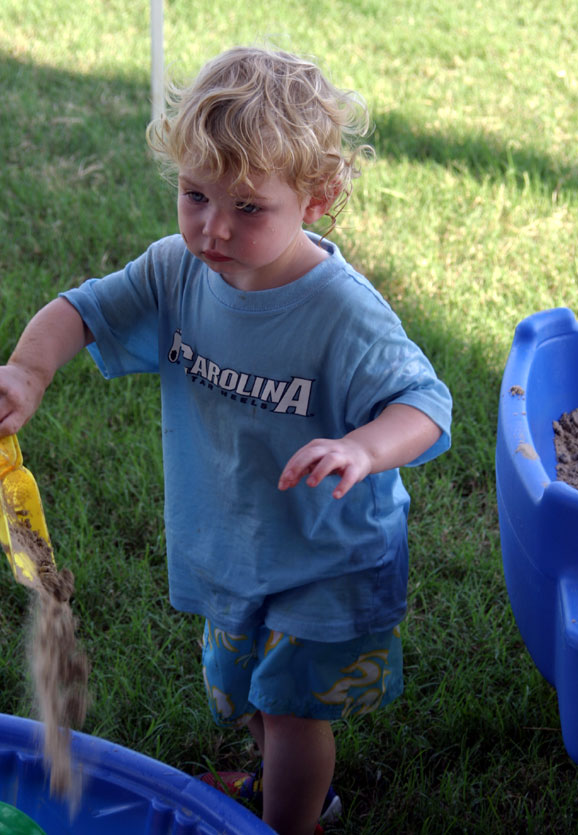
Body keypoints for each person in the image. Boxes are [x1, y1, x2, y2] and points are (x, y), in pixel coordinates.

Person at [0, 47, 452, 835]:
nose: (212, 226)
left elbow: (426, 404)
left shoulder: (342, 312)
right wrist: (28, 373)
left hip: (328, 555)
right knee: (246, 692)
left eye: (248, 208)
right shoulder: (177, 271)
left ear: (318, 198)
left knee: (291, 713)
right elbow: (83, 309)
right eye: (194, 195)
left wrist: (363, 450)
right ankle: (294, 792)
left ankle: (288, 823)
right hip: (234, 545)